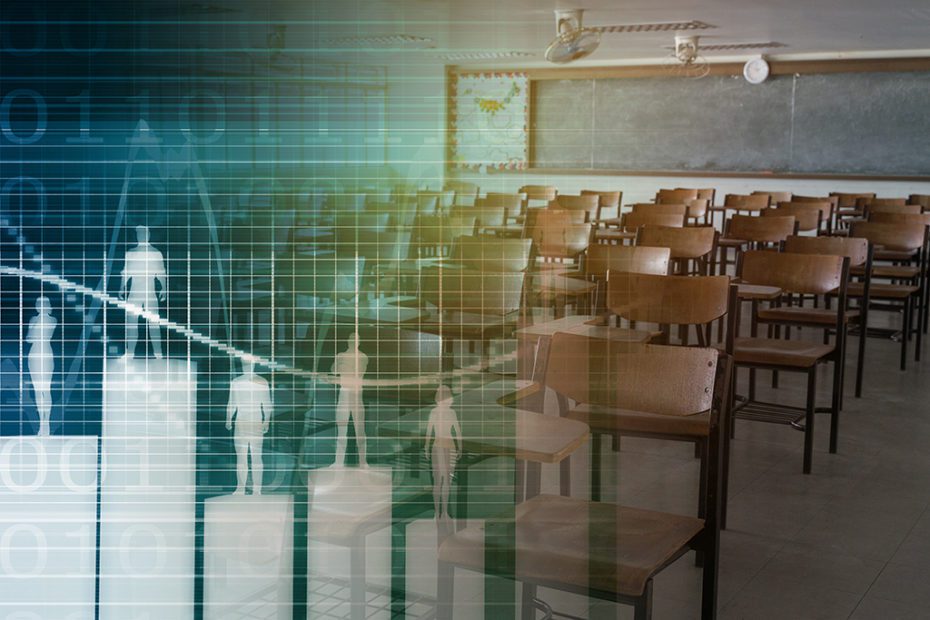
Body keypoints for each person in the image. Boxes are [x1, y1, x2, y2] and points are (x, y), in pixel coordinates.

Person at [119, 225, 167, 359]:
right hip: (135, 293)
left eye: (143, 233)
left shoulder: (155, 253)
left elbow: (161, 272)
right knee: (131, 323)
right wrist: (122, 287)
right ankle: (130, 352)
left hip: (149, 292)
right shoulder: (131, 253)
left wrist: (164, 287)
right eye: (139, 233)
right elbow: (126, 272)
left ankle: (158, 353)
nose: (141, 236)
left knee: (153, 324)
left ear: (148, 234)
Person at [226, 358, 271, 495]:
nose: (247, 367)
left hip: (255, 421)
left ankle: (256, 489)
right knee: (242, 456)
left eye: (249, 364)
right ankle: (241, 487)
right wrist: (228, 418)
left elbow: (267, 403)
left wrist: (266, 420)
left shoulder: (261, 381)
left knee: (256, 456)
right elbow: (232, 402)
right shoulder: (236, 382)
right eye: (245, 364)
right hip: (241, 421)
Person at [424, 385, 461, 521]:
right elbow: (457, 432)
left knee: (443, 481)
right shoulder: (442, 412)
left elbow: (457, 431)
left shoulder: (445, 412)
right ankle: (439, 512)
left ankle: (442, 512)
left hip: (445, 447)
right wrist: (427, 446)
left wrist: (427, 447)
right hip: (442, 447)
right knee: (441, 481)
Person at [331, 332, 368, 468]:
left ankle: (363, 462)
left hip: (356, 394)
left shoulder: (363, 357)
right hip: (344, 392)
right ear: (348, 341)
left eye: (356, 339)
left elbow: (358, 372)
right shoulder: (341, 355)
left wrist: (343, 365)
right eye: (351, 339)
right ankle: (338, 462)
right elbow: (333, 371)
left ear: (359, 342)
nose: (354, 342)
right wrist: (338, 362)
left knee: (360, 430)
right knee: (341, 429)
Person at [27, 297, 56, 437]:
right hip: (40, 353)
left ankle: (45, 423)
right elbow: (30, 338)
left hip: (40, 353)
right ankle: (43, 423)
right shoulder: (47, 319)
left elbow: (30, 337)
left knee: (43, 389)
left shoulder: (44, 320)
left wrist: (36, 323)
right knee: (41, 390)